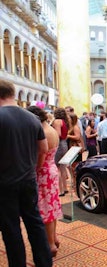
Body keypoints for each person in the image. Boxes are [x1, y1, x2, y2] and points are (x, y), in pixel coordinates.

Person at [0, 79, 53, 267]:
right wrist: (35, 169)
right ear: (12, 94)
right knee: (35, 223)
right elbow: (43, 148)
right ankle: (44, 263)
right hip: (28, 180)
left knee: (11, 228)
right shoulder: (32, 118)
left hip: (5, 183)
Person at [27, 106, 63, 257]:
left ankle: (49, 245)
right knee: (52, 205)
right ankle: (54, 238)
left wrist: (33, 171)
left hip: (44, 173)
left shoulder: (42, 132)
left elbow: (40, 159)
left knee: (46, 208)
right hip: (52, 169)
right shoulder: (52, 129)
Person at [52, 107, 71, 197]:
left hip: (59, 144)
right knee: (63, 168)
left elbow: (58, 134)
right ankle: (65, 188)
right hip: (64, 144)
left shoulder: (57, 121)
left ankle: (60, 190)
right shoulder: (65, 121)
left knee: (57, 168)